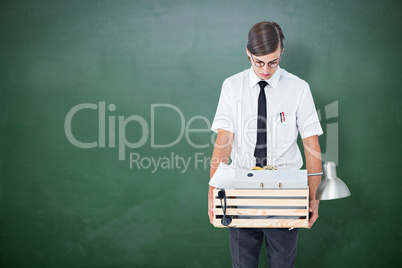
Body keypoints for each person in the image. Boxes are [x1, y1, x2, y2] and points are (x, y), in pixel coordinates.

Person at [208, 21, 323, 268]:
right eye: (258, 62)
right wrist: (213, 194)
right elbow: (223, 144)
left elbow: (311, 144)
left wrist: (315, 197)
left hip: (286, 194)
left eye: (273, 62)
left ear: (282, 53)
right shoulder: (231, 87)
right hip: (240, 192)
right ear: (248, 53)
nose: (265, 69)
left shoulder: (299, 88)